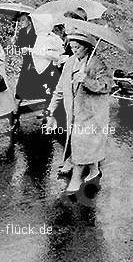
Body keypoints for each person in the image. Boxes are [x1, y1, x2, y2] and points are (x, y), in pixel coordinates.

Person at [46, 31, 112, 194]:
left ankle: (75, 180)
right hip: (74, 112)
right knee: (85, 145)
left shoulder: (97, 63)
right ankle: (94, 171)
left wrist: (87, 80)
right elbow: (60, 88)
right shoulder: (69, 62)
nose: (75, 50)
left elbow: (106, 86)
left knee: (81, 145)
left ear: (87, 47)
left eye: (78, 47)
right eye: (72, 47)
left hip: (92, 113)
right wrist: (51, 109)